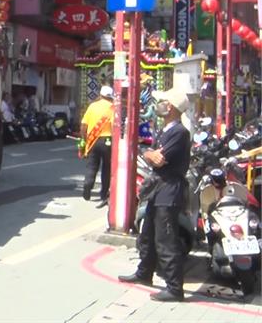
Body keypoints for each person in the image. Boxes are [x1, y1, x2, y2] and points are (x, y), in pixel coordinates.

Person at [118, 86, 192, 303]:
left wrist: (150, 154)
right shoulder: (166, 130)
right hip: (157, 189)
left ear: (170, 107)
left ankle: (175, 288)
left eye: (162, 102)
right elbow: (151, 154)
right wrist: (149, 153)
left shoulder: (179, 132)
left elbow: (159, 158)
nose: (158, 105)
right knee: (147, 234)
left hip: (169, 190)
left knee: (165, 240)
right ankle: (144, 273)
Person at [80, 85, 115, 205]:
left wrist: (83, 141)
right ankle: (103, 193)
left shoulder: (92, 106)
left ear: (100, 95)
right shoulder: (113, 108)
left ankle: (87, 185)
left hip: (92, 140)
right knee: (107, 167)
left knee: (92, 165)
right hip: (108, 141)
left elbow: (83, 125)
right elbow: (115, 127)